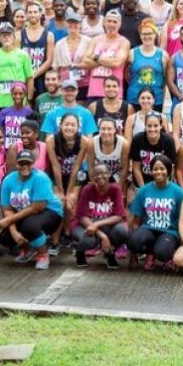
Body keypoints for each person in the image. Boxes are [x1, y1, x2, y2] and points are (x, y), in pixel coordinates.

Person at [0, 151, 64, 270]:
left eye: (28, 163)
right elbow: (7, 209)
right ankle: (27, 248)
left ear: (33, 164)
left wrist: (9, 220)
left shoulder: (41, 178)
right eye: (21, 164)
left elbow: (37, 208)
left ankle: (42, 254)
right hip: (24, 214)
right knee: (1, 234)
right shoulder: (8, 180)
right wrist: (14, 232)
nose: (25, 167)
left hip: (50, 212)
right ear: (16, 165)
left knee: (30, 226)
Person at [127, 155, 183, 271]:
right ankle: (150, 254)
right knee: (134, 241)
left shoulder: (178, 192)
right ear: (151, 171)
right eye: (155, 169)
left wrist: (182, 247)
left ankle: (168, 256)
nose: (159, 172)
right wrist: (132, 253)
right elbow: (136, 220)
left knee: (163, 252)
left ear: (169, 171)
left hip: (169, 232)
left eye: (162, 168)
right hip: (148, 229)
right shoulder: (144, 190)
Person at [71, 164, 129, 269]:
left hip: (105, 225)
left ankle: (109, 253)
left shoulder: (115, 189)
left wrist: (97, 224)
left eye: (103, 173)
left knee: (121, 231)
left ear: (109, 174)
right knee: (89, 241)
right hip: (85, 226)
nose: (100, 176)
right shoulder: (87, 189)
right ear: (93, 177)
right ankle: (79, 251)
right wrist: (103, 236)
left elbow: (119, 216)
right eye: (96, 174)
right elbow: (82, 216)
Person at [46, 112, 91, 247]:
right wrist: (60, 190)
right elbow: (55, 165)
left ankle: (68, 233)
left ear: (78, 127)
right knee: (59, 202)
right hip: (57, 174)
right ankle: (55, 240)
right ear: (60, 125)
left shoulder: (84, 141)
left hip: (76, 175)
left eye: (73, 125)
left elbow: (77, 166)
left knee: (70, 204)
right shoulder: (51, 140)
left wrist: (70, 191)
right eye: (66, 124)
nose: (69, 128)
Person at [0, 22, 33, 115]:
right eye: (3, 35)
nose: (6, 37)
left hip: (19, 102)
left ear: (14, 37)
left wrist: (29, 101)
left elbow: (30, 79)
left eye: (9, 35)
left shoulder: (23, 55)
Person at [83, 11, 130, 102]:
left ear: (119, 24)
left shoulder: (124, 42)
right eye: (109, 21)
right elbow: (85, 62)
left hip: (114, 91)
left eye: (115, 22)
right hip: (94, 91)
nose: (111, 24)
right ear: (104, 22)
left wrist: (95, 57)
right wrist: (108, 61)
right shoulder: (95, 40)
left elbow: (116, 63)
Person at [126, 20, 169, 111]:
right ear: (140, 36)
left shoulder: (163, 55)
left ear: (155, 35)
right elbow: (127, 75)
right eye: (144, 34)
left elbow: (165, 78)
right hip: (135, 97)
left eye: (149, 33)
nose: (147, 36)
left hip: (155, 98)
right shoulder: (132, 53)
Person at [130, 112, 177, 187]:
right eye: (149, 126)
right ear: (145, 126)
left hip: (162, 181)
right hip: (142, 180)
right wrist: (143, 189)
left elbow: (170, 168)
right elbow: (136, 167)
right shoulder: (137, 139)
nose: (152, 129)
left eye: (156, 126)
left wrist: (162, 187)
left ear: (161, 126)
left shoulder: (168, 141)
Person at [52, 12, 92, 97]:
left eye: (76, 22)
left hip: (84, 83)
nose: (73, 25)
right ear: (66, 24)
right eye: (70, 22)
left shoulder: (89, 41)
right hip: (65, 84)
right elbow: (55, 65)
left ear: (80, 24)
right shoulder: (59, 43)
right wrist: (57, 82)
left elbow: (91, 63)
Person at [21, 3, 55, 98]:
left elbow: (49, 60)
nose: (32, 14)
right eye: (30, 12)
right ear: (26, 15)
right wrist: (27, 77)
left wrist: (32, 76)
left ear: (40, 14)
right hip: (23, 78)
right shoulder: (19, 34)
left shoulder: (49, 35)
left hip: (41, 78)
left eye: (35, 12)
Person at [89, 118, 130, 192]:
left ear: (115, 130)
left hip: (117, 173)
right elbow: (91, 167)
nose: (106, 132)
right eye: (103, 129)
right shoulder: (92, 143)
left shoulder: (124, 144)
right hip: (99, 174)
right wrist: (95, 184)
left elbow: (125, 168)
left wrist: (119, 187)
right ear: (99, 130)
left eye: (109, 129)